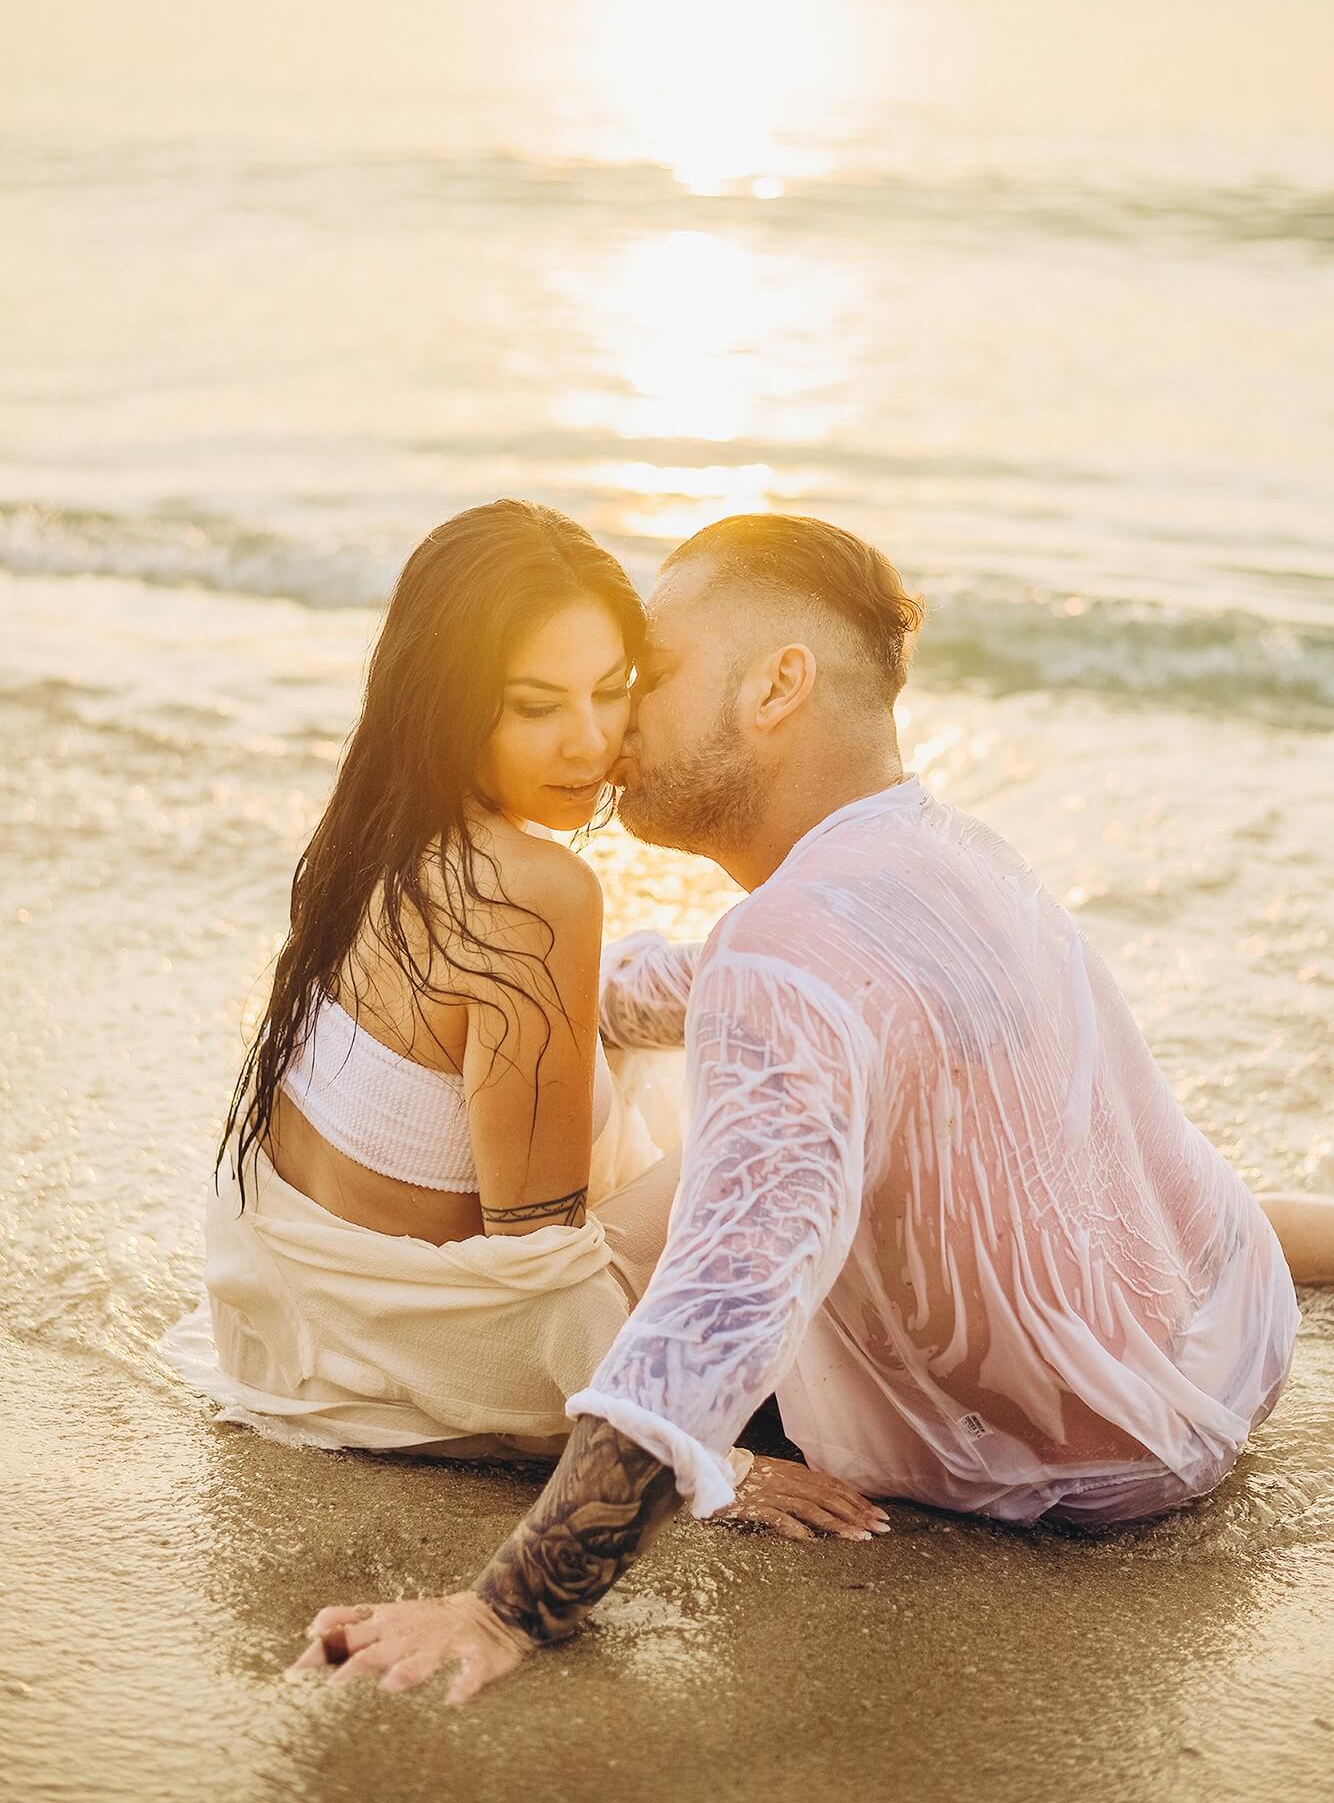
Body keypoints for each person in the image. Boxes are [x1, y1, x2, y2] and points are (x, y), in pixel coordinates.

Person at [288, 509, 1329, 1702]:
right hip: (1217, 1330)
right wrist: (518, 985)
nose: (617, 724)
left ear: (777, 685)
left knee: (689, 1208)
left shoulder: (784, 963)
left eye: (653, 676)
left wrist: (506, 1607)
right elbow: (727, 978)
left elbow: (723, 1295)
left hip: (1066, 1459)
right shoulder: (945, 849)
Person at [163, 500, 883, 1541]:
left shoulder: (375, 835)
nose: (589, 741)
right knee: (821, 1103)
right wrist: (694, 1454)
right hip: (440, 1362)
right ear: (446, 703)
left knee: (686, 1063)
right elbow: (542, 1286)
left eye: (610, 690)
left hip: (302, 1329)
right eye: (535, 704)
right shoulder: (536, 891)